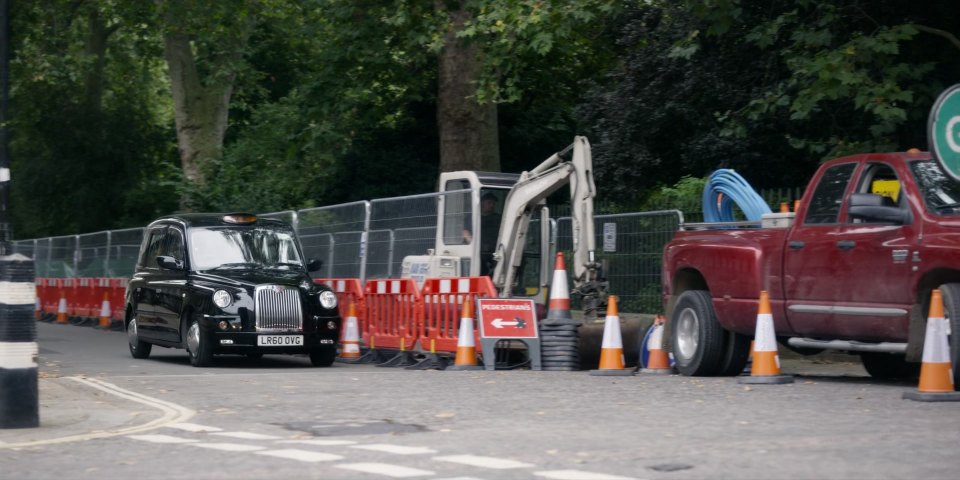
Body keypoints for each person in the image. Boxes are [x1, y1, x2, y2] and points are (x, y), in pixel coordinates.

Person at [463, 192, 501, 276]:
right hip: (479, 253)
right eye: (489, 203)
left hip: (495, 252)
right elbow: (465, 232)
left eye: (493, 203)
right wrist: (473, 243)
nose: (492, 205)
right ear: (482, 203)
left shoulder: (498, 218)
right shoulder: (473, 217)